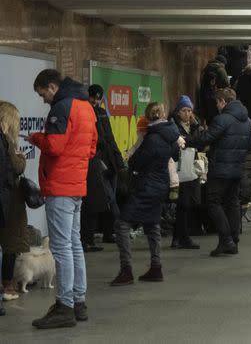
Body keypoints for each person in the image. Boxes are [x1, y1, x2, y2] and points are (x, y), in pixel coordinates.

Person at [28, 69, 97, 329]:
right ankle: (78, 302)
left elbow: (55, 146)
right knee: (74, 244)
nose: (43, 99)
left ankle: (64, 306)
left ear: (53, 86)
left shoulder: (62, 106)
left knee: (61, 248)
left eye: (42, 92)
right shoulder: (86, 107)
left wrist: (36, 138)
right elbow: (91, 147)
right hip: (77, 185)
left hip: (60, 186)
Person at [110, 103, 181, 286]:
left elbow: (136, 162)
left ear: (148, 117)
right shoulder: (171, 134)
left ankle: (126, 270)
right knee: (152, 224)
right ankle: (156, 267)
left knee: (122, 224)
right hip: (161, 185)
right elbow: (176, 154)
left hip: (147, 186)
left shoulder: (152, 138)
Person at [186, 88, 251, 257]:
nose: (217, 105)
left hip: (221, 169)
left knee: (212, 202)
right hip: (237, 168)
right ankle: (234, 241)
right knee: (232, 203)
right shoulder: (247, 120)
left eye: (217, 102)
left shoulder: (222, 119)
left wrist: (186, 140)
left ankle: (226, 240)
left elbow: (206, 138)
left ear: (224, 101)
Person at [82, 84, 124, 253]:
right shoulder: (88, 113)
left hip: (109, 161)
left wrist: (118, 160)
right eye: (93, 97)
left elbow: (111, 137)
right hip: (97, 161)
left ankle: (109, 232)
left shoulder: (100, 112)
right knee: (106, 199)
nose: (96, 101)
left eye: (98, 98)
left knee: (110, 198)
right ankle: (114, 231)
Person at [0, 101, 28, 306]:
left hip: (6, 199)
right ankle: (7, 285)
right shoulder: (6, 142)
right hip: (8, 200)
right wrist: (23, 159)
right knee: (10, 243)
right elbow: (16, 167)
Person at [170, 95, 203, 249]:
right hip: (178, 168)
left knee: (190, 203)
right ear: (178, 111)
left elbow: (200, 143)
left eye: (189, 110)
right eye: (184, 110)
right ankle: (182, 237)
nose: (187, 114)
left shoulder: (195, 126)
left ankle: (180, 237)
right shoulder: (173, 126)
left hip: (192, 167)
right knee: (182, 204)